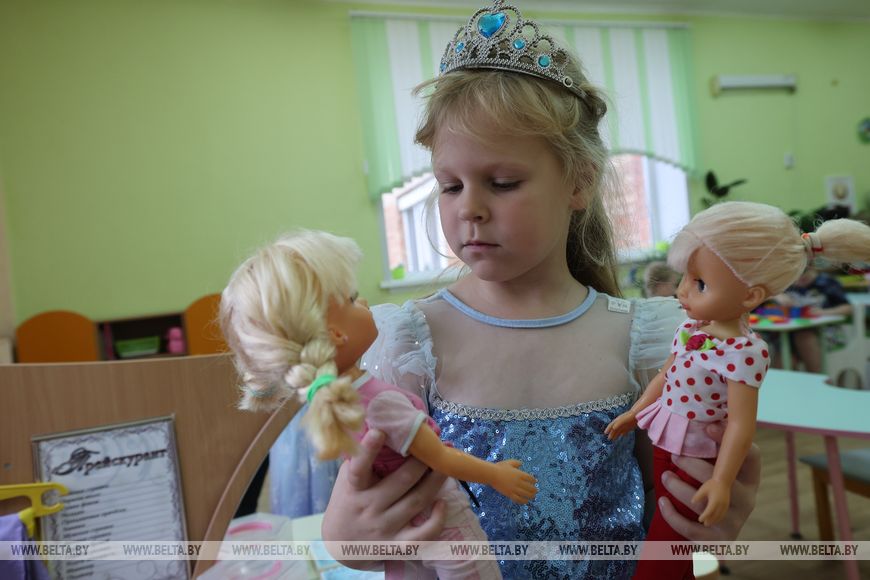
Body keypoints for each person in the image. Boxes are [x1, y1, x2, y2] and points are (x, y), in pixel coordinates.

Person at [318, 2, 767, 578]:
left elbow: (673, 510)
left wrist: (709, 515)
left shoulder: (643, 339)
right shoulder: (409, 343)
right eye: (450, 185)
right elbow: (361, 518)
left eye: (502, 182)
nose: (470, 208)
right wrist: (349, 535)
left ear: (579, 181)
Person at [219, 230, 539, 579]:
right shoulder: (380, 402)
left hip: (403, 526)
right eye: (352, 299)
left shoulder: (338, 403)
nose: (365, 302)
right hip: (440, 516)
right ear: (335, 335)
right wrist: (496, 475)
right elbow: (439, 457)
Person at [605, 201, 870, 579]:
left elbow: (741, 424)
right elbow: (667, 374)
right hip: (664, 431)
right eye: (685, 278)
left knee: (672, 538)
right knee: (663, 520)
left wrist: (722, 480)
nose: (682, 291)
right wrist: (636, 412)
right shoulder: (690, 328)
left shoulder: (744, 352)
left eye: (699, 283)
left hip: (698, 449)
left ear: (750, 296)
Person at [766, 265, 854, 373]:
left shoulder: (826, 282)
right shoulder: (788, 284)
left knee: (802, 337)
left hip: (826, 333)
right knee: (785, 347)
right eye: (795, 277)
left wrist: (823, 312)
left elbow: (848, 308)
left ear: (813, 269)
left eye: (804, 276)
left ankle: (816, 376)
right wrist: (776, 295)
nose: (799, 280)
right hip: (790, 334)